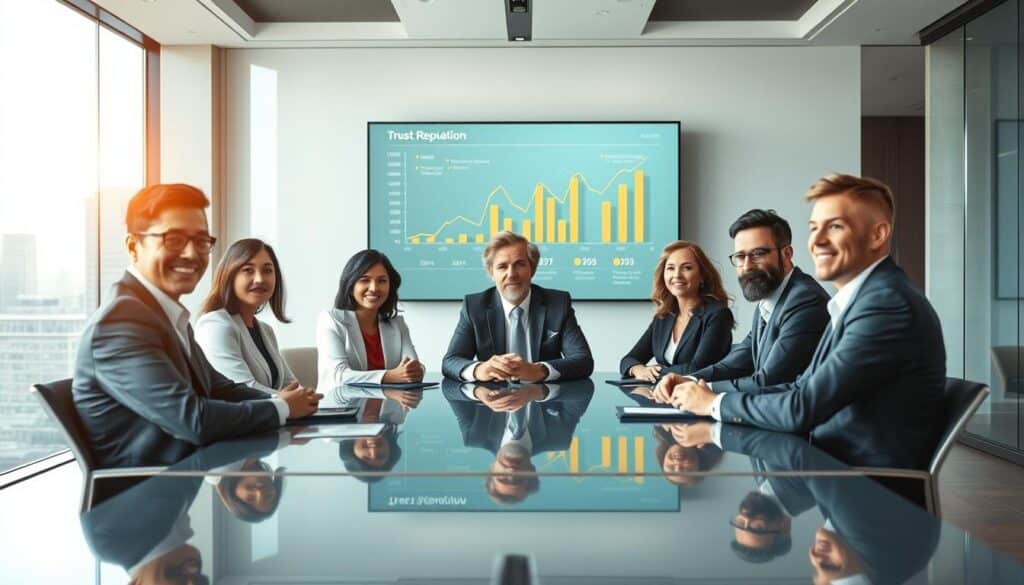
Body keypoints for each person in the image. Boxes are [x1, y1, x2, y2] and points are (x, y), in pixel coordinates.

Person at [662, 175, 947, 500]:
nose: (818, 241)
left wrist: (714, 402)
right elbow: (800, 388)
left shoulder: (885, 305)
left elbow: (801, 407)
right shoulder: (863, 299)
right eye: (814, 228)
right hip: (836, 480)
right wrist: (703, 392)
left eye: (835, 227)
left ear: (878, 234)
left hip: (873, 499)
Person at [72, 184, 321, 468]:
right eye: (174, 239)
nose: (192, 254)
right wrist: (281, 407)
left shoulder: (165, 315)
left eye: (202, 241)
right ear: (133, 246)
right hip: (142, 499)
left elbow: (222, 388)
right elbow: (193, 420)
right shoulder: (120, 322)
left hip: (184, 484)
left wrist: (289, 401)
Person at [661, 210, 829, 396]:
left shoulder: (804, 301)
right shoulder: (769, 301)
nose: (747, 266)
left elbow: (769, 381)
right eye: (740, 257)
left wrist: (699, 390)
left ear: (787, 253)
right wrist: (690, 380)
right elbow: (736, 362)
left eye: (758, 254)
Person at [442, 231, 594, 382]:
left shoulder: (558, 303)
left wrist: (539, 370)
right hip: (493, 400)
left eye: (519, 264)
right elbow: (451, 361)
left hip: (545, 400)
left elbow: (583, 360)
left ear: (532, 269)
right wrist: (478, 370)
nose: (511, 274)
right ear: (491, 273)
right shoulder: (475, 306)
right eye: (502, 266)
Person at [442, 378, 594, 504]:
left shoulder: (475, 436)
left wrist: (478, 392)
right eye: (518, 479)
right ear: (532, 472)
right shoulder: (558, 439)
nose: (511, 472)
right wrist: (539, 392)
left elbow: (448, 389)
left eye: (502, 478)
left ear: (491, 470)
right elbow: (585, 390)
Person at [619, 240, 733, 381]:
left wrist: (656, 372)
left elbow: (698, 368)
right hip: (664, 395)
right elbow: (629, 359)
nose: (677, 275)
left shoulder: (718, 315)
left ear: (702, 276)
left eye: (687, 268)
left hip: (700, 396)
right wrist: (638, 369)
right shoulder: (663, 317)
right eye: (671, 268)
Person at [195, 238, 298, 393]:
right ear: (230, 275)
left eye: (267, 270)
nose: (260, 279)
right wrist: (291, 402)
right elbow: (241, 390)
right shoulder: (215, 325)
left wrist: (309, 400)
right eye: (248, 270)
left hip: (276, 416)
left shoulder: (266, 330)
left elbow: (290, 385)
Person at [316, 249, 423, 391]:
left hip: (387, 408)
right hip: (341, 408)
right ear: (350, 285)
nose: (374, 288)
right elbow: (338, 375)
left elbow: (411, 367)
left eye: (382, 281)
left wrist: (416, 371)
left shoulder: (397, 324)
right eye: (364, 280)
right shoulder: (331, 320)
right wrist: (389, 376)